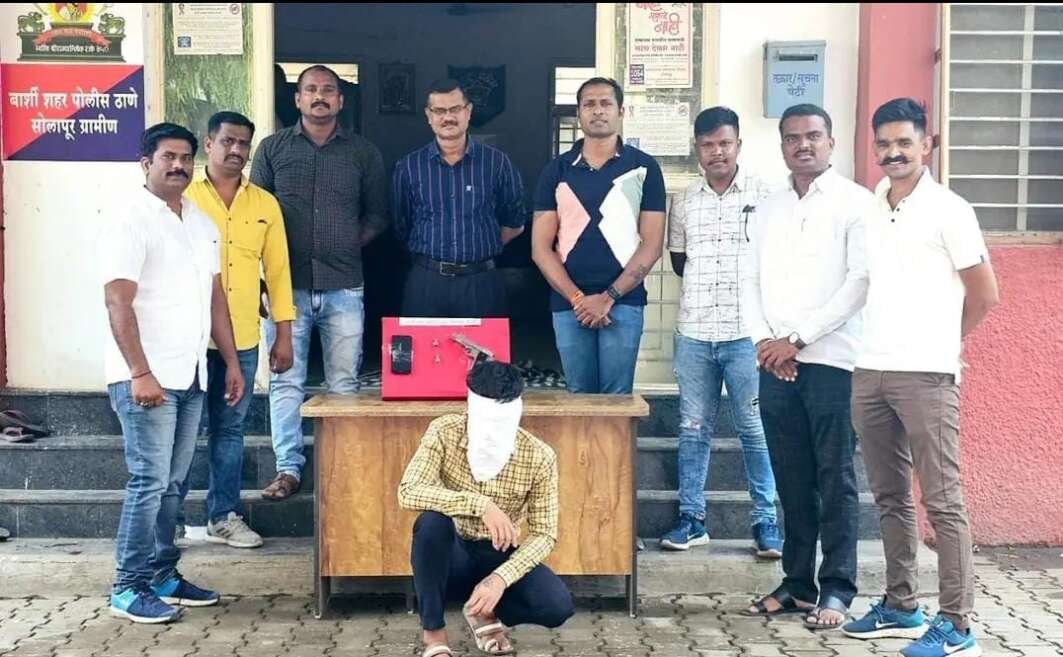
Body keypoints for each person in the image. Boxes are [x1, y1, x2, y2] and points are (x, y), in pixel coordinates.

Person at [842, 98, 998, 657]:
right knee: (889, 496)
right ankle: (902, 604)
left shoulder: (949, 209)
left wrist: (942, 344)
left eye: (904, 142)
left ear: (926, 145)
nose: (893, 153)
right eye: (884, 143)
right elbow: (862, 283)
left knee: (942, 499)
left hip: (927, 375)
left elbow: (985, 294)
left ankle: (956, 623)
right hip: (871, 369)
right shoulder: (873, 205)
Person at [101, 122, 245, 623]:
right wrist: (140, 372)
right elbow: (118, 302)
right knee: (148, 481)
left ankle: (163, 575)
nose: (179, 165)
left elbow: (215, 299)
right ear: (146, 163)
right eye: (168, 157)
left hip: (191, 375)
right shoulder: (131, 220)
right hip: (147, 377)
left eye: (185, 157)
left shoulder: (200, 222)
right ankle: (127, 586)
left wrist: (231, 362)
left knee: (173, 484)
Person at [740, 104, 871, 630]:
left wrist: (796, 340)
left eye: (813, 135)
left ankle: (837, 587)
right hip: (775, 364)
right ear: (782, 147)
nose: (803, 145)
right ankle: (797, 584)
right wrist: (764, 342)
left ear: (831, 142)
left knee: (835, 477)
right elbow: (749, 279)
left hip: (832, 362)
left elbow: (858, 283)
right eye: (793, 137)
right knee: (791, 478)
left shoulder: (856, 203)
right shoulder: (767, 209)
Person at [251, 65, 389, 500]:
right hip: (284, 285)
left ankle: (342, 467)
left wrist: (347, 241)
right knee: (286, 380)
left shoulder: (363, 152)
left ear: (341, 100)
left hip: (344, 283)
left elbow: (378, 214)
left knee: (344, 382)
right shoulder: (273, 149)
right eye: (310, 89)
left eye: (328, 90)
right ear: (297, 99)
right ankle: (288, 469)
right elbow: (255, 214)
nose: (319, 96)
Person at [660, 107, 781, 558]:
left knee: (753, 427)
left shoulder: (766, 196)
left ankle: (765, 521)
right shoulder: (685, 201)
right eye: (708, 145)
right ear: (697, 149)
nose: (717, 152)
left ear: (738, 145)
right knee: (692, 428)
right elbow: (679, 261)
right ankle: (691, 519)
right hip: (694, 333)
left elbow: (777, 262)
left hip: (747, 334)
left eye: (724, 143)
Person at [398, 361, 575, 657]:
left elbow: (545, 534)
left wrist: (500, 579)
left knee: (557, 606)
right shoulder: (444, 431)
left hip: (498, 554)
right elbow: (408, 491)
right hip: (451, 554)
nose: (493, 432)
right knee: (431, 523)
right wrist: (480, 504)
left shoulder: (539, 455)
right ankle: (434, 636)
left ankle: (483, 613)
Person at [179, 110, 297, 549]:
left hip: (243, 338)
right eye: (227, 141)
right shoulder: (184, 198)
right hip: (188, 339)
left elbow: (278, 273)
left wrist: (283, 334)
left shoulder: (264, 204)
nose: (235, 150)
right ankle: (168, 521)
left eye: (243, 143)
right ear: (209, 144)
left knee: (229, 431)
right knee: (180, 432)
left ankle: (223, 516)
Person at [531, 77, 666, 393]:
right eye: (589, 104)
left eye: (606, 103)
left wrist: (608, 298)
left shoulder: (644, 168)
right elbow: (540, 248)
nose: (598, 110)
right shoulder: (556, 171)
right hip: (569, 304)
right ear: (579, 113)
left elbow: (652, 245)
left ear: (621, 111)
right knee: (579, 397)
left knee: (617, 401)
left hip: (624, 302)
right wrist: (579, 300)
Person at [393, 78, 525, 318]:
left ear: (468, 111)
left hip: (481, 281)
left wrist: (479, 246)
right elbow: (402, 224)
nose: (448, 117)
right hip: (427, 282)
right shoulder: (409, 167)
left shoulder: (496, 163)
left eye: (455, 109)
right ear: (428, 115)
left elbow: (514, 221)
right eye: (439, 111)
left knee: (485, 345)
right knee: (424, 344)